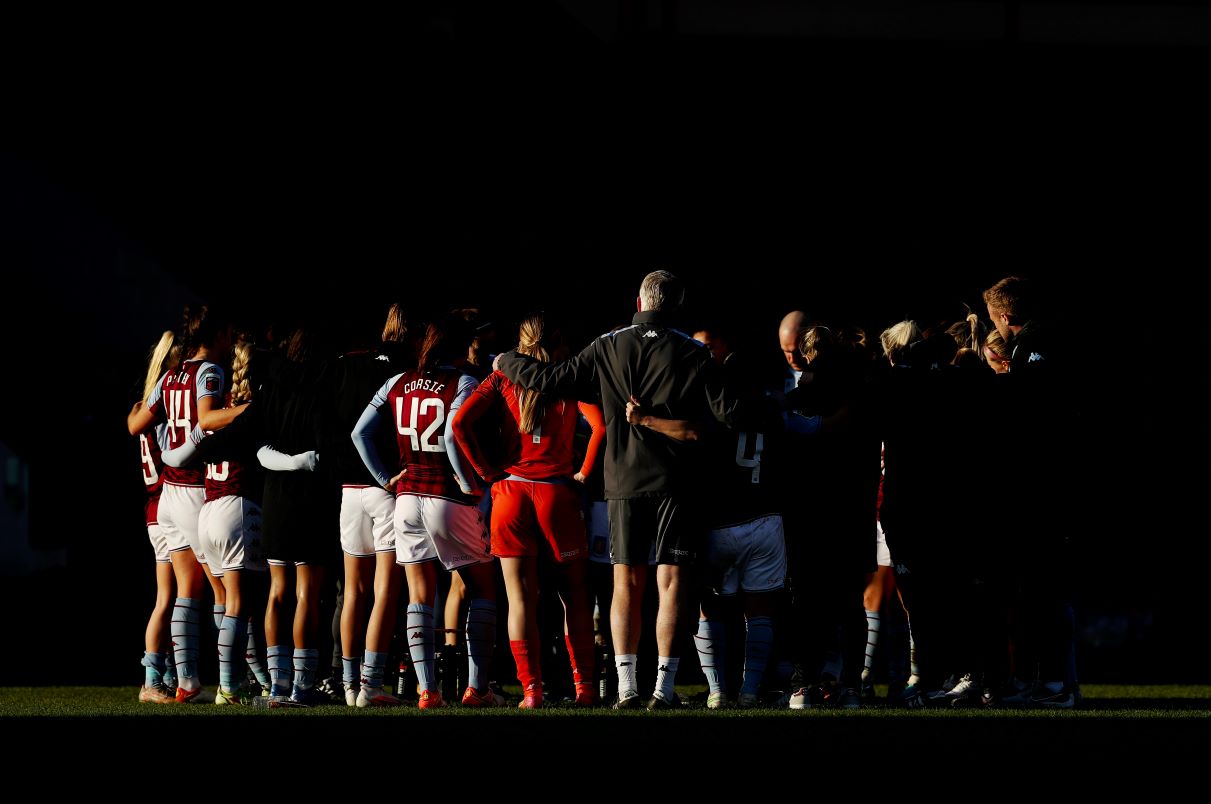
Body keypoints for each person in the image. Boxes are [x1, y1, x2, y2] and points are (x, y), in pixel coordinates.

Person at [495, 270, 740, 710]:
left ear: (639, 299)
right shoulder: (694, 352)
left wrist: (506, 361)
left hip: (623, 482)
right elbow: (726, 418)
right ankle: (663, 689)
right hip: (676, 484)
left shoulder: (609, 343)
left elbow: (553, 380)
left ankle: (626, 685)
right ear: (677, 303)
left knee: (624, 581)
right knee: (673, 582)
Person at [453, 313, 606, 708]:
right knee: (574, 596)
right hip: (557, 493)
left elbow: (460, 424)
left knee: (520, 600)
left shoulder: (503, 377)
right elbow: (601, 427)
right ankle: (585, 688)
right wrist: (584, 473)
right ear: (555, 343)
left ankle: (531, 690)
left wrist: (487, 473)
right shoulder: (568, 378)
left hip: (511, 495)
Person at [352, 316, 499, 709]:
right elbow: (453, 433)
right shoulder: (464, 382)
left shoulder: (397, 382)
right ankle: (477, 688)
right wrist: (469, 481)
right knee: (483, 587)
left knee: (419, 594)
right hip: (447, 496)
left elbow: (358, 433)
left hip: (406, 499)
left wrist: (385, 477)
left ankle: (427, 690)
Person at [127, 305, 243, 703]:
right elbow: (209, 419)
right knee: (223, 589)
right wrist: (249, 410)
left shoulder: (168, 376)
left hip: (167, 496)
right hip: (194, 489)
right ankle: (232, 683)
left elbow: (135, 425)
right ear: (219, 333)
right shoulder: (208, 371)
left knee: (185, 592)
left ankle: (188, 683)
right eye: (229, 331)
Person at [133, 331, 179, 703]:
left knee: (172, 595)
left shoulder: (142, 407)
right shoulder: (165, 408)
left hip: (155, 507)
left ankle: (165, 674)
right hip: (167, 504)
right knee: (170, 598)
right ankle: (154, 679)